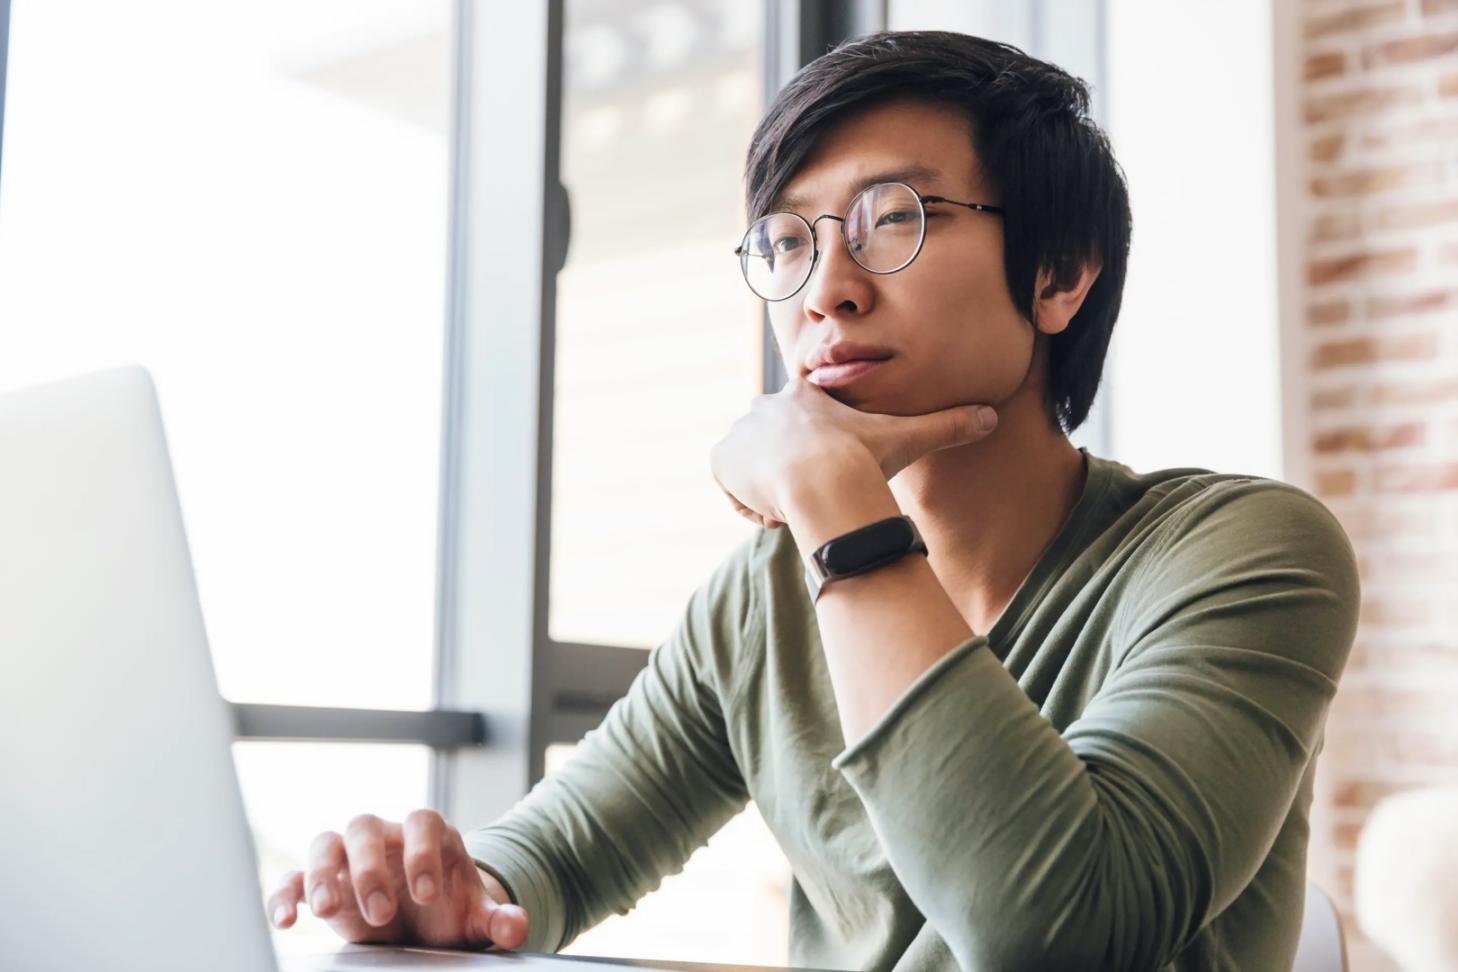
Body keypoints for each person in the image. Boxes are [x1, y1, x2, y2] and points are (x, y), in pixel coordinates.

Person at [268, 30, 1360, 970]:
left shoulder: (1243, 549)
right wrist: (443, 891)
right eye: (787, 241)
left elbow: (1058, 932)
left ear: (1061, 274)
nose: (827, 289)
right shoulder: (761, 600)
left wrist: (835, 503)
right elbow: (551, 860)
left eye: (893, 219)